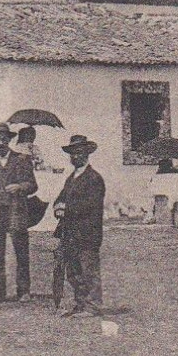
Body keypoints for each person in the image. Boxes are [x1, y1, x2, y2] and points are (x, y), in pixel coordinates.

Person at [0, 122, 38, 303]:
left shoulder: (21, 159)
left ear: (9, 140)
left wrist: (20, 186)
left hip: (16, 211)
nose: (1, 142)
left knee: (21, 252)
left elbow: (33, 185)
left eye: (4, 139)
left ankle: (24, 290)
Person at [53, 135, 106, 317]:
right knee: (73, 272)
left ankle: (92, 306)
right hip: (70, 233)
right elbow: (61, 197)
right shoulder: (71, 177)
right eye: (73, 153)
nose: (75, 156)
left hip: (87, 232)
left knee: (88, 270)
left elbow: (90, 205)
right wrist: (58, 205)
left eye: (79, 153)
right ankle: (80, 303)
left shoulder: (94, 178)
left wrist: (66, 209)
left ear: (87, 154)